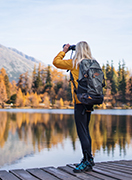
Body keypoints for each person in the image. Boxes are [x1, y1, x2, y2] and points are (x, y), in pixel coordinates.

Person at [53, 41, 95, 173]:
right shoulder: (93, 63)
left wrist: (65, 51)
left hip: (80, 102)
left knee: (82, 132)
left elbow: (56, 62)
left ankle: (87, 161)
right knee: (85, 130)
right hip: (90, 100)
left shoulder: (75, 63)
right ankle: (88, 158)